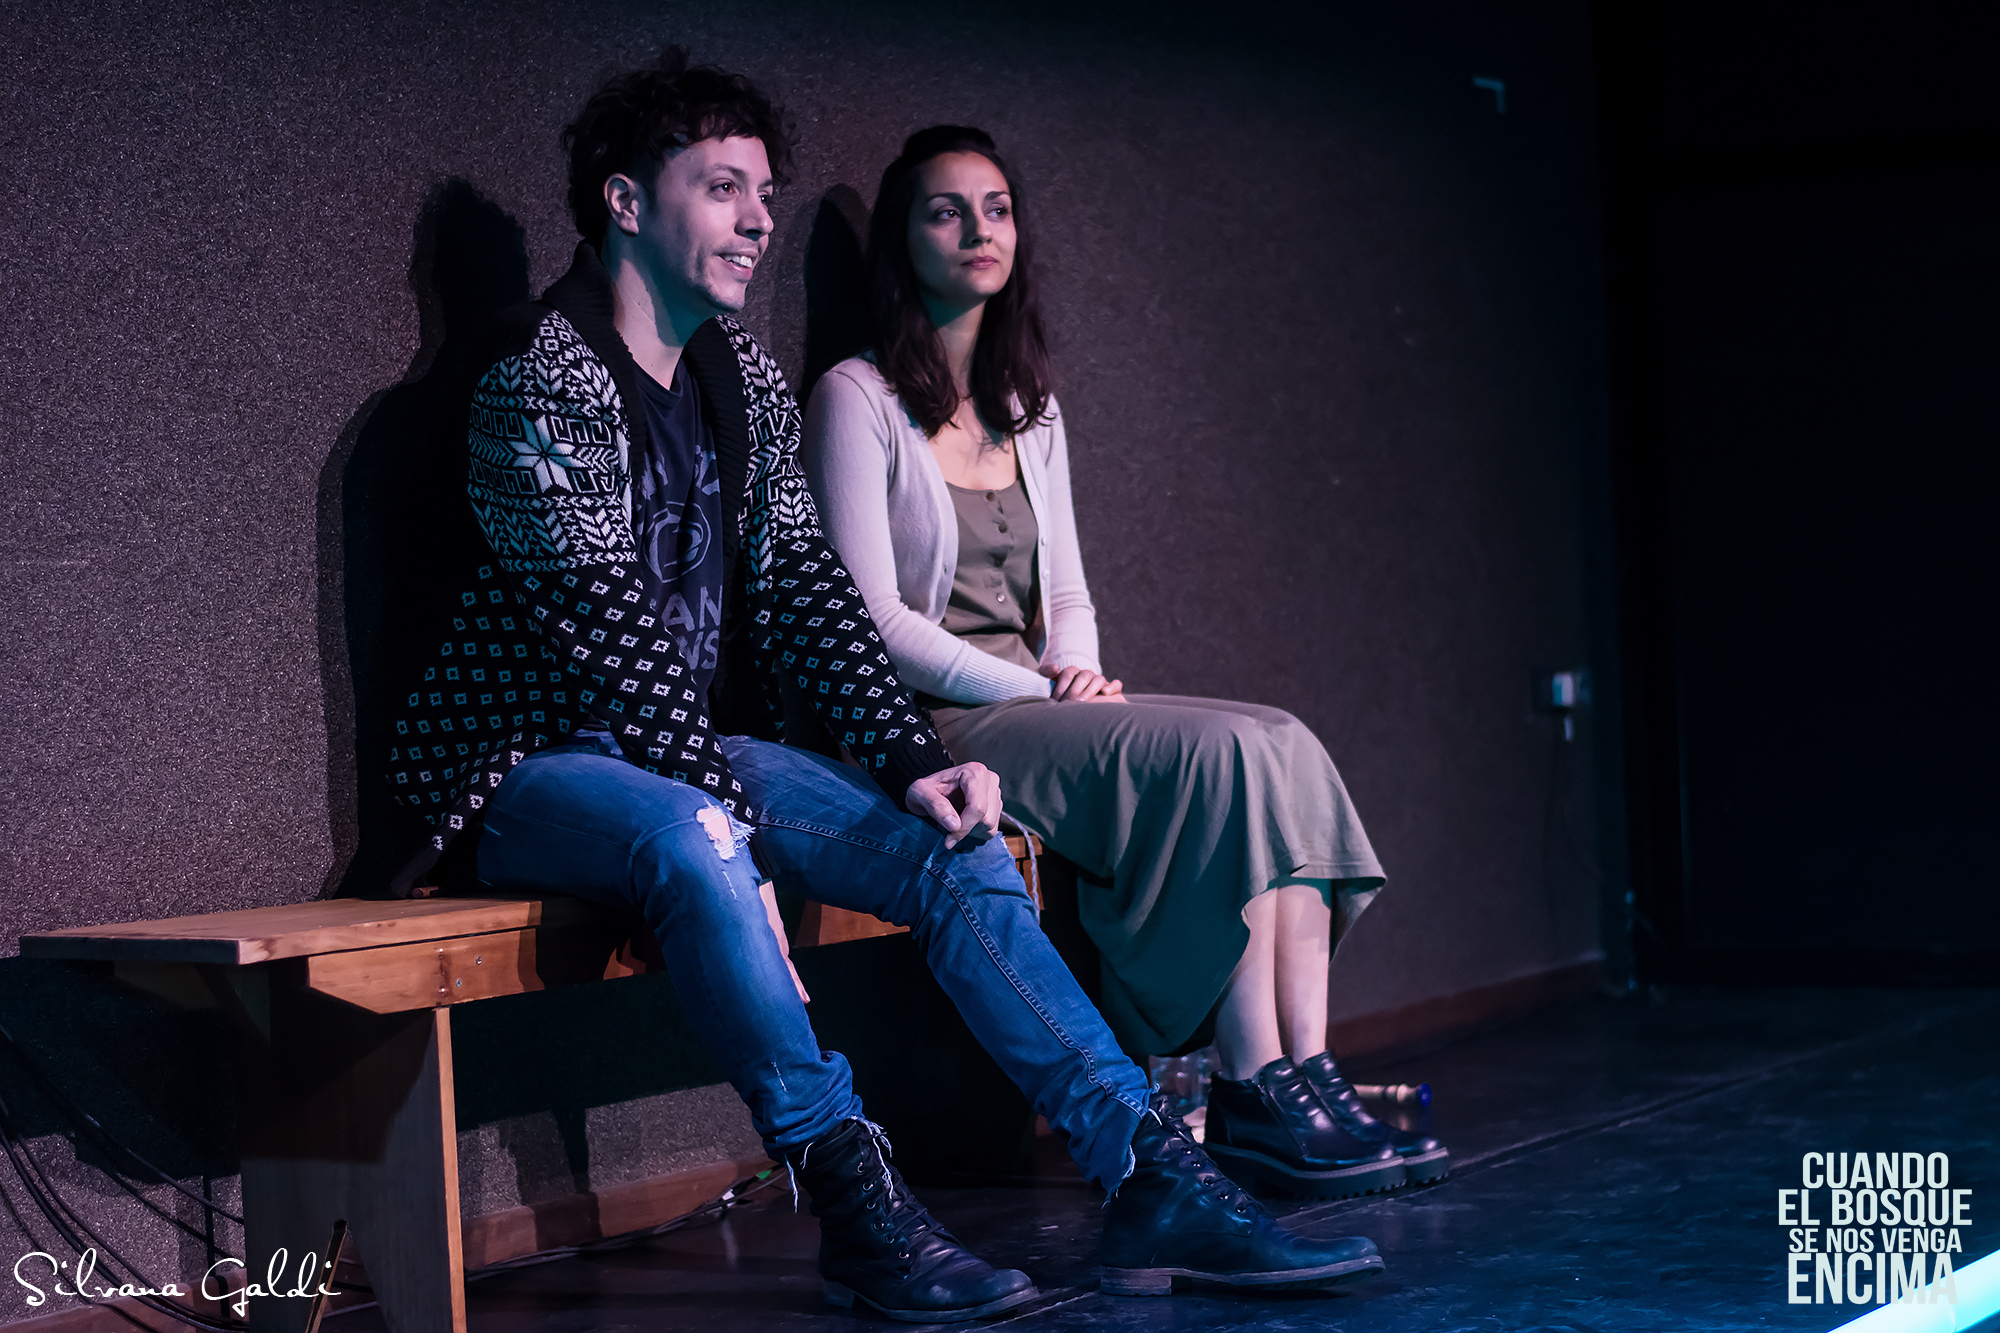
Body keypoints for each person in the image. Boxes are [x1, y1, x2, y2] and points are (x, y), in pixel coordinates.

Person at [383, 54, 1383, 1323]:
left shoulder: (736, 378)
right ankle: (856, 1201)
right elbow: (606, 635)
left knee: (952, 838)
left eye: (763, 193)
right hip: (526, 768)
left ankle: (1144, 1165)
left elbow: (812, 593)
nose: (756, 219)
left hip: (683, 752)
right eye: (722, 188)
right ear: (625, 203)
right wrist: (731, 823)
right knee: (696, 836)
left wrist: (915, 761)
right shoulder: (541, 375)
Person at [803, 126, 1450, 1203]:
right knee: (1216, 759)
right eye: (946, 210)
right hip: (934, 725)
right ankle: (1247, 1084)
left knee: (1279, 739)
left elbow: (1066, 591)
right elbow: (869, 621)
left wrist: (1078, 669)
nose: (977, 229)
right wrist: (1040, 686)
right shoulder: (856, 397)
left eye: (997, 208)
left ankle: (1303, 1069)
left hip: (1034, 702)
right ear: (903, 239)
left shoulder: (1028, 406)